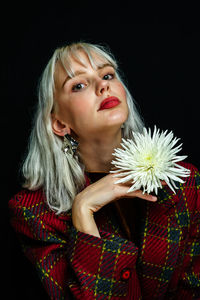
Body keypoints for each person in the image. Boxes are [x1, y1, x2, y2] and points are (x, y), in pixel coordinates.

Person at [9, 42, 200, 299]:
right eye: (79, 85)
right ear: (59, 123)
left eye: (107, 74)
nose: (103, 86)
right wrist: (83, 209)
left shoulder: (186, 184)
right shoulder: (34, 213)